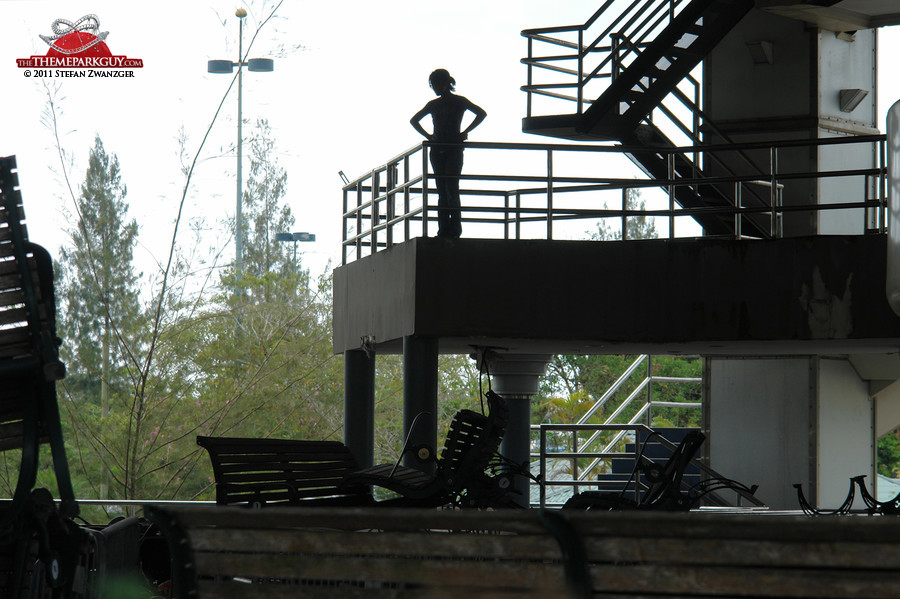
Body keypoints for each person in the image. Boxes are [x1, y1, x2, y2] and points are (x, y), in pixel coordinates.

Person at [410, 69, 486, 239]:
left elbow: (481, 114)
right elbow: (413, 120)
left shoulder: (457, 102)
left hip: (451, 148)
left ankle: (453, 229)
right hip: (439, 149)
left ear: (445, 83)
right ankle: (445, 229)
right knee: (444, 190)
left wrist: (464, 132)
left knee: (450, 188)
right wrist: (429, 136)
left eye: (436, 84)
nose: (435, 88)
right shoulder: (436, 104)